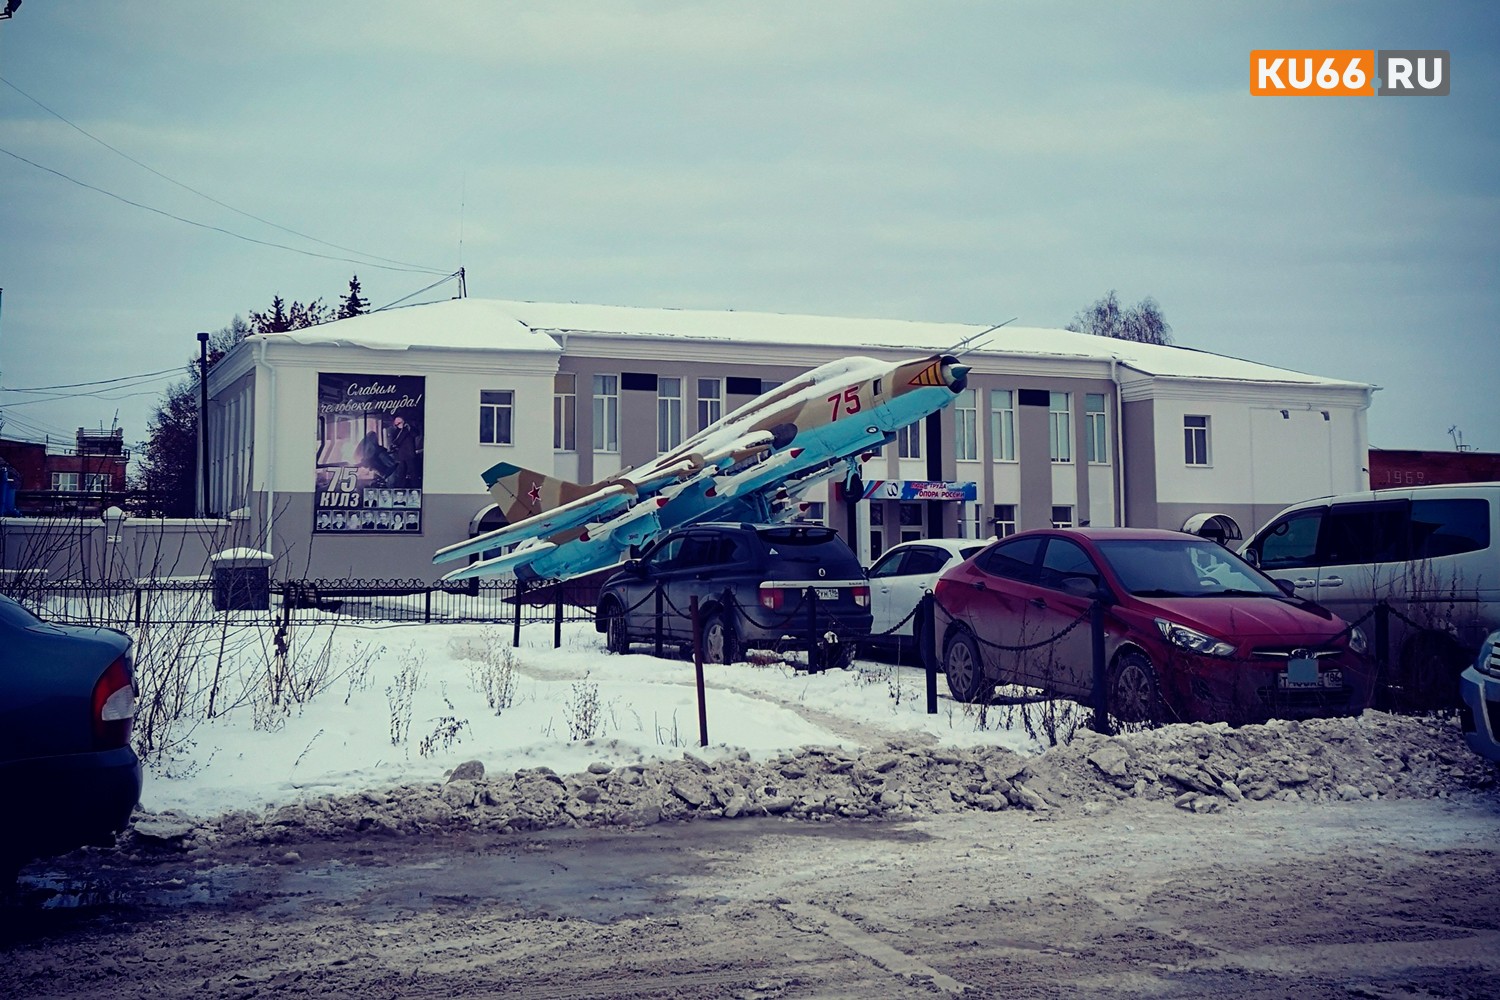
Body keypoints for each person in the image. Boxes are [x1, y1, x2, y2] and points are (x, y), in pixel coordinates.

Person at [391, 416, 420, 488]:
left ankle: (415, 488)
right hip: (401, 455)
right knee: (401, 474)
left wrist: (408, 428)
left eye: (399, 422)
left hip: (410, 454)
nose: (398, 424)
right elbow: (396, 441)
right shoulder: (396, 432)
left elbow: (416, 434)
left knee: (413, 473)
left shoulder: (409, 429)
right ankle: (400, 488)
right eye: (396, 423)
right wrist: (403, 430)